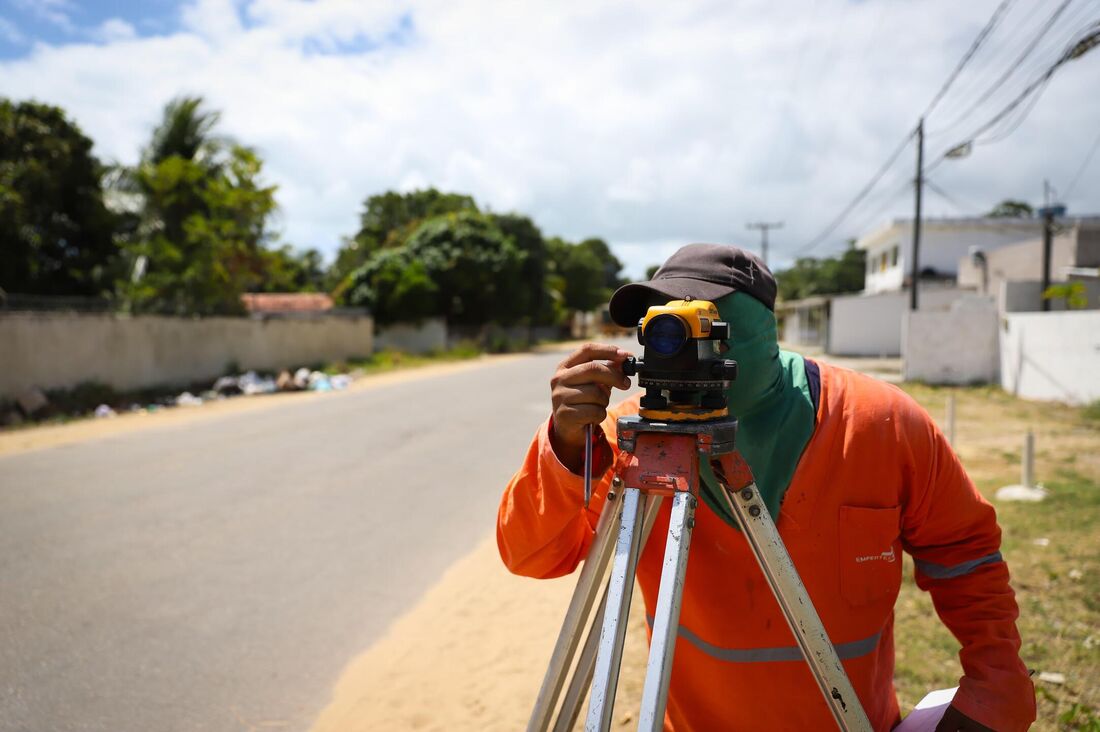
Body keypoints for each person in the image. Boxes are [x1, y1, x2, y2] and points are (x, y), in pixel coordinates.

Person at [496, 244, 1035, 731]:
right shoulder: (629, 441)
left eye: (689, 324)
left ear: (752, 331)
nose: (671, 348)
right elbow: (531, 555)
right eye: (657, 328)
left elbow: (964, 552)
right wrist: (568, 446)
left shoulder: (880, 424)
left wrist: (995, 685)